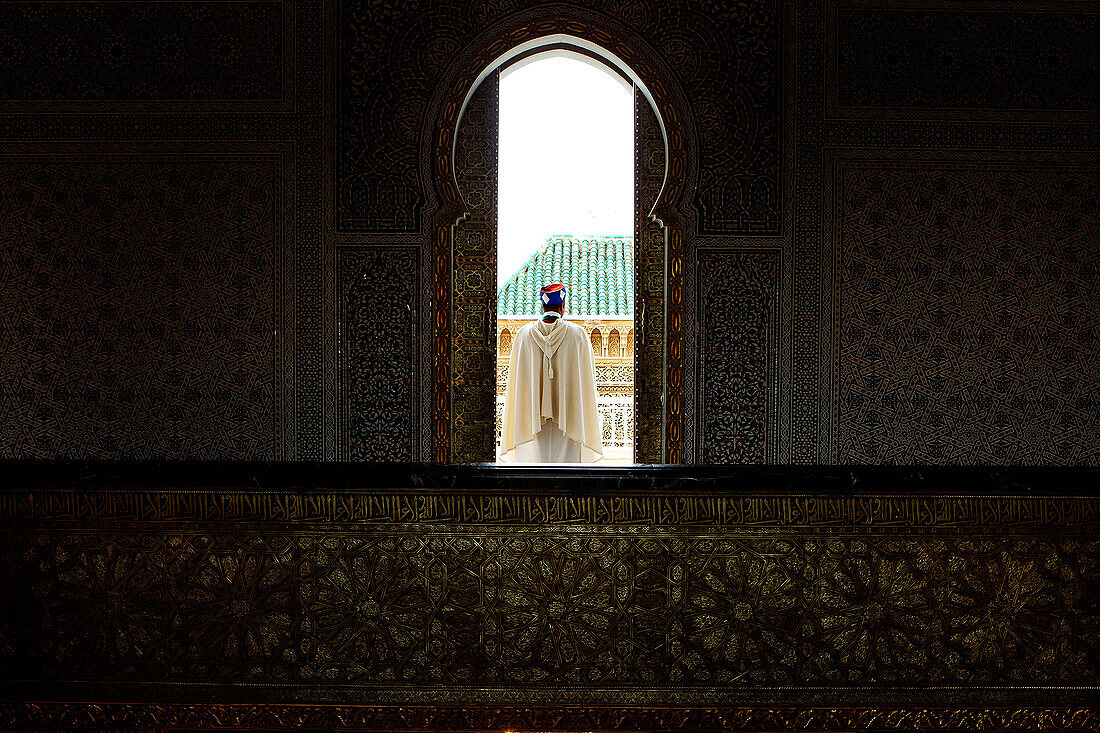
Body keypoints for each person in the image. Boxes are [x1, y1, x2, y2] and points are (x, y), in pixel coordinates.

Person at [499, 283, 604, 463]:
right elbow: (586, 384)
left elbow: (517, 384)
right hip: (569, 423)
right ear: (562, 306)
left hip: (531, 423)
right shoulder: (578, 335)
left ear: (543, 305)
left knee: (534, 478)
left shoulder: (523, 336)